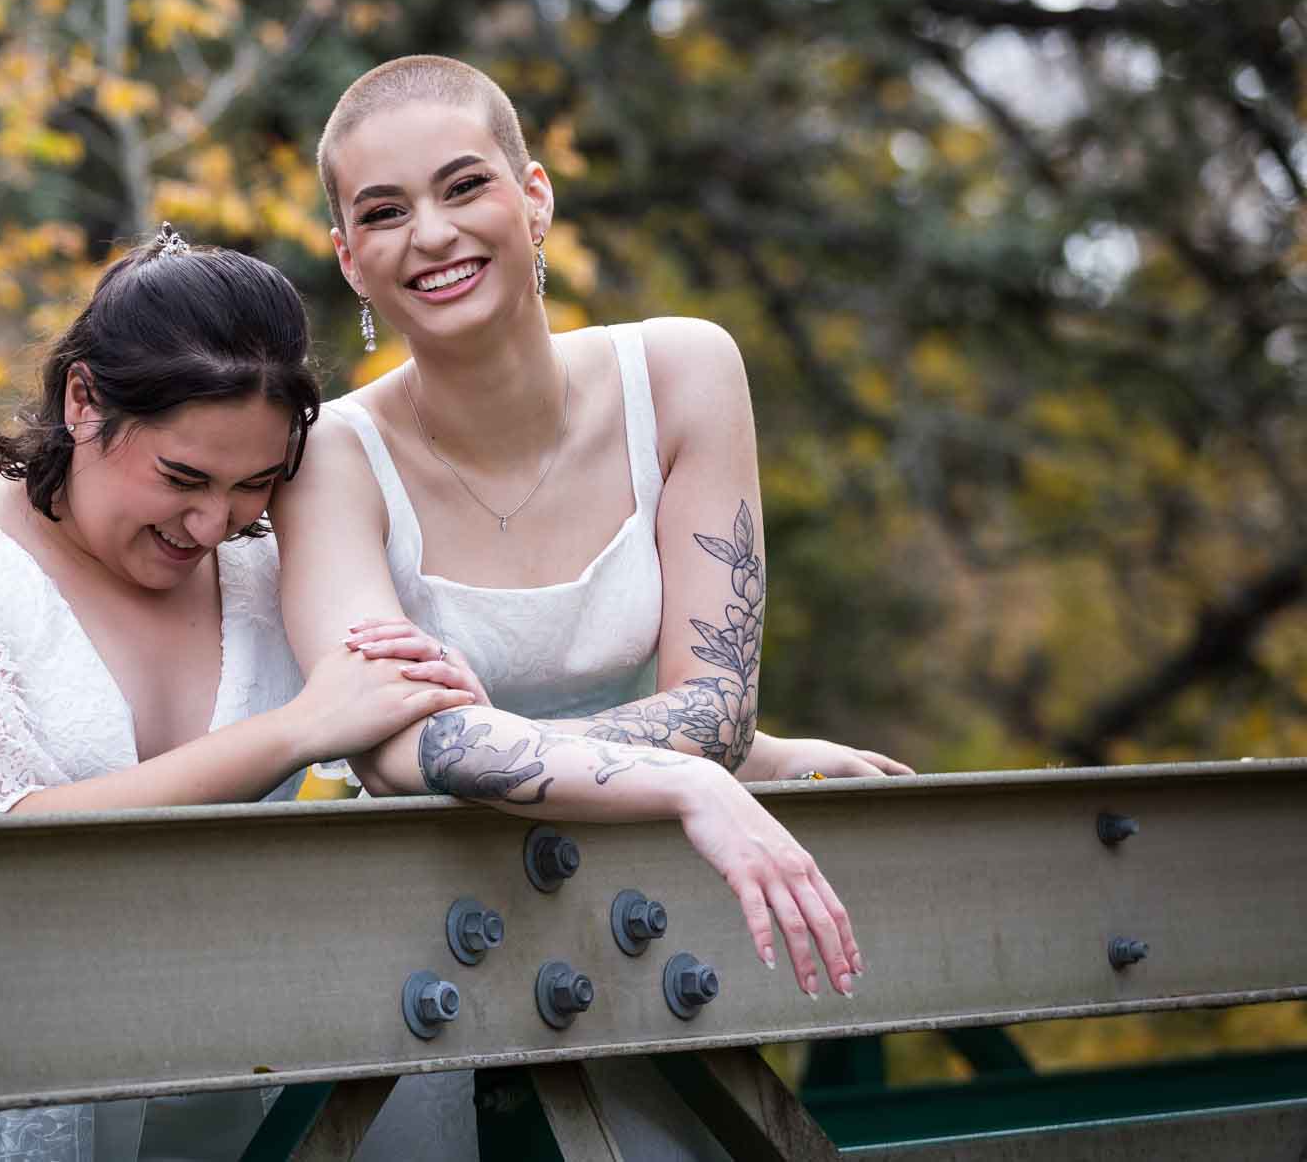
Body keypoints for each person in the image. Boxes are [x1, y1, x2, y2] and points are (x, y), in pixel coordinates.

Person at [271, 57, 913, 1152]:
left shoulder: (683, 372)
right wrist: (690, 773)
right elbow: (379, 749)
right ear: (348, 259)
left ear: (534, 197)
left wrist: (724, 754)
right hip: (424, 972)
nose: (429, 234)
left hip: (658, 943)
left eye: (462, 186)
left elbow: (709, 708)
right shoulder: (327, 453)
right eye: (383, 212)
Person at [0, 227, 477, 1162]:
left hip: (220, 1118)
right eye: (182, 476)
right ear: (83, 400)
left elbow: (400, 719)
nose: (212, 523)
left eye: (256, 485)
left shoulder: (268, 580)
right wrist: (296, 730)